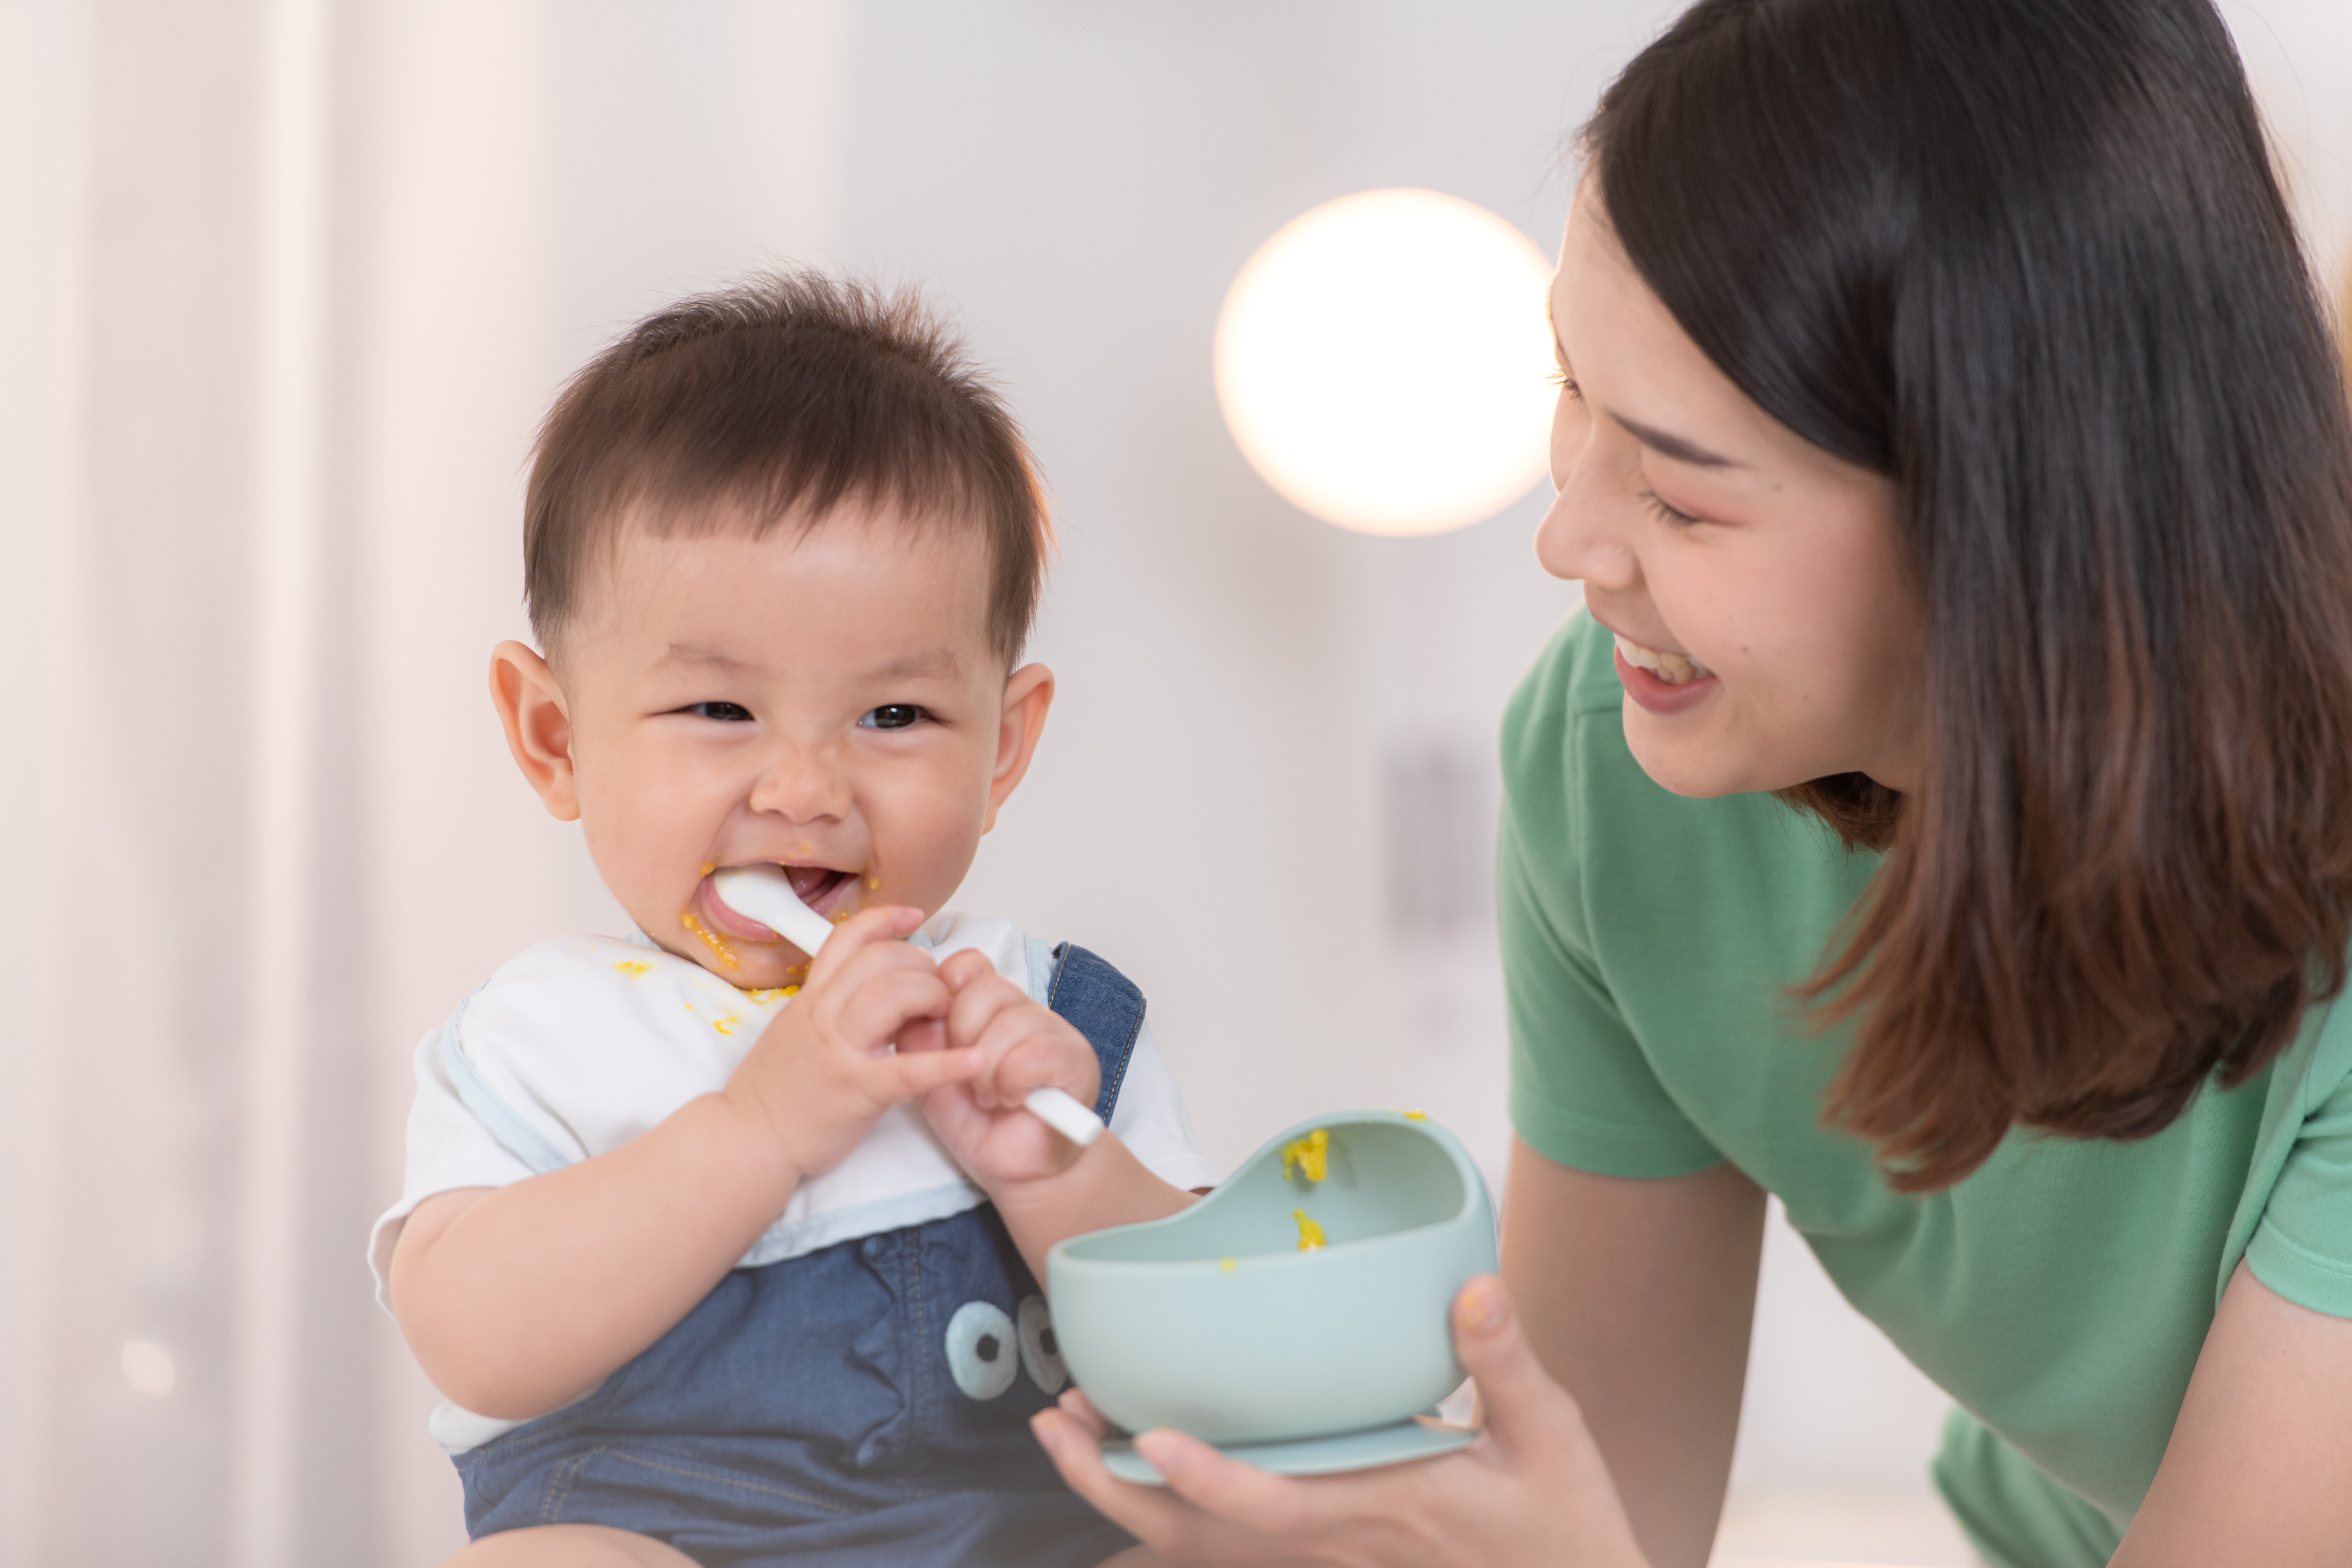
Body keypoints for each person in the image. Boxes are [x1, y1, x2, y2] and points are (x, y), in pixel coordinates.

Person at [1036, 1, 2352, 1564]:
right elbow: (1594, 1500)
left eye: (1678, 492)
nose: (1567, 542)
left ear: (2005, 514)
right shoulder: (1620, 768)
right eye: (1570, 391)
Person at [368, 272, 1218, 1567]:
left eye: (895, 716)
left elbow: (1221, 1372)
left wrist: (1059, 1170)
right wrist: (759, 1129)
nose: (807, 791)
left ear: (1002, 747)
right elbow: (473, 1342)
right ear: (554, 737)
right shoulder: (547, 1036)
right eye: (719, 712)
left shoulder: (1039, 1016)